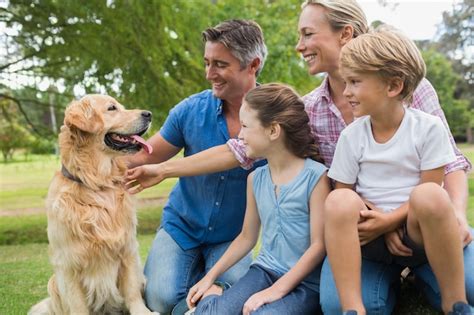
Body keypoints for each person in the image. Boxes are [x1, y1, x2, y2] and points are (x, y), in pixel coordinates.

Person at [127, 0, 474, 313]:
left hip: (422, 221)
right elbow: (244, 150)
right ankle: (399, 280)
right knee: (344, 303)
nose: (299, 46)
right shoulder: (308, 109)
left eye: (308, 34)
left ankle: (438, 283)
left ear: (345, 34)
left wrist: (455, 214)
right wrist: (163, 169)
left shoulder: (413, 90)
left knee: (469, 287)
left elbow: (451, 163)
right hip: (363, 232)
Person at [125, 19, 268, 314]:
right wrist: (86, 159)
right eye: (206, 63)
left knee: (234, 298)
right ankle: (199, 293)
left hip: (234, 237)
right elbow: (146, 155)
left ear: (252, 65)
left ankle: (205, 290)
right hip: (182, 227)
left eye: (220, 64)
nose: (209, 74)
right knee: (160, 299)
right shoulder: (189, 110)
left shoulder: (274, 117)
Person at [325, 28, 470, 315]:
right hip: (368, 234)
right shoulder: (352, 136)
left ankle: (455, 303)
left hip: (418, 233)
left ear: (392, 87)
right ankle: (352, 309)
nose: (346, 92)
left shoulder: (428, 128)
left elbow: (430, 188)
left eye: (354, 82)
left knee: (430, 195)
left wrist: (391, 221)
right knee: (338, 201)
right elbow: (344, 193)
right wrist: (380, 224)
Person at [186, 83, 330, 315]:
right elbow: (246, 238)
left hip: (306, 283)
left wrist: (275, 292)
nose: (239, 135)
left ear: (273, 131)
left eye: (245, 126)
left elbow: (319, 246)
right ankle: (215, 294)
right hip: (263, 271)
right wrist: (208, 278)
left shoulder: (316, 177)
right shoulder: (255, 179)